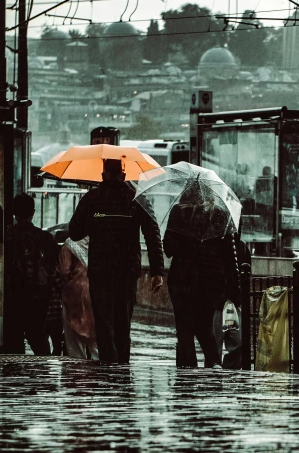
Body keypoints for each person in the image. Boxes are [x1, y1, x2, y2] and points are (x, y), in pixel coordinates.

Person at [69, 158, 164, 365]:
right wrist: (157, 271)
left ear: (103, 175)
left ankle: (108, 365)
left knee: (104, 323)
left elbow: (74, 232)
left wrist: (94, 222)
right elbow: (152, 233)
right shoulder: (137, 198)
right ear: (123, 174)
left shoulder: (92, 198)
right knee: (123, 323)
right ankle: (122, 366)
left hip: (100, 270)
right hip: (127, 270)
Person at [163, 181, 240, 369]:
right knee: (204, 325)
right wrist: (234, 286)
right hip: (211, 280)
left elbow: (169, 249)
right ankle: (213, 362)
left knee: (185, 327)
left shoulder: (179, 213)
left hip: (183, 278)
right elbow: (230, 254)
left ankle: (188, 368)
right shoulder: (220, 214)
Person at [12, 193, 59, 355]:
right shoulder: (46, 238)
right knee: (38, 337)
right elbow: (54, 269)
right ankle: (42, 374)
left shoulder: (8, 237)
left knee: (14, 338)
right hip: (39, 297)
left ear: (13, 212)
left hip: (14, 296)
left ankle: (15, 374)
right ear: (33, 211)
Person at [213, 232, 251, 369]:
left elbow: (246, 276)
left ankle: (229, 370)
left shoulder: (241, 247)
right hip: (217, 303)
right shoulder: (214, 245)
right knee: (215, 345)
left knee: (237, 342)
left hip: (233, 303)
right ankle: (215, 375)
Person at [58, 236, 98, 360]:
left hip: (74, 294)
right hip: (97, 294)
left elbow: (64, 270)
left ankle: (77, 373)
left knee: (74, 344)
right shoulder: (101, 242)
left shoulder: (70, 244)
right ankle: (98, 374)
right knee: (96, 342)